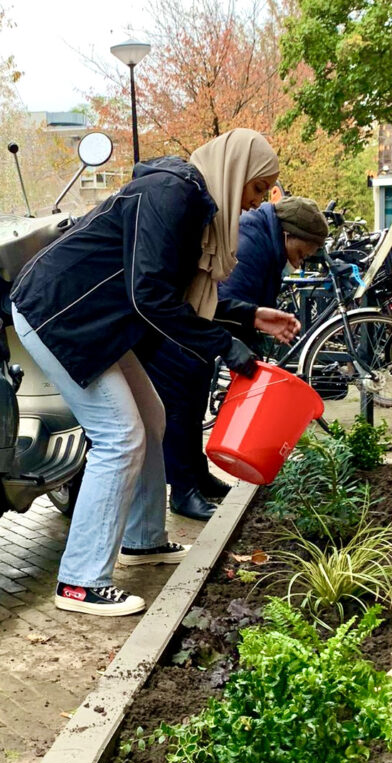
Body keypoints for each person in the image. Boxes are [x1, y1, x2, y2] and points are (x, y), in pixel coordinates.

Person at [10, 128, 298, 617]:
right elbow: (150, 295)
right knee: (120, 437)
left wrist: (249, 317)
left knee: (152, 420)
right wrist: (224, 345)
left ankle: (143, 539)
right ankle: (79, 581)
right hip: (60, 314)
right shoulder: (172, 193)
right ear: (234, 173)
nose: (255, 204)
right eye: (255, 188)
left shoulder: (195, 201)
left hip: (99, 321)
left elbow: (172, 291)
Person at [140, 196, 327, 521]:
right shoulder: (252, 243)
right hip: (179, 336)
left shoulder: (267, 240)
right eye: (300, 254)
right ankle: (183, 492)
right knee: (181, 409)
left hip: (198, 336)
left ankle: (198, 476)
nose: (297, 264)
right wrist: (238, 353)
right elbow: (222, 305)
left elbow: (243, 308)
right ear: (289, 235)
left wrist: (254, 339)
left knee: (195, 404)